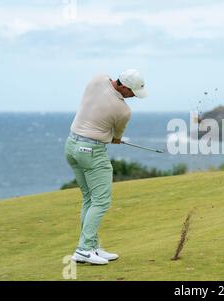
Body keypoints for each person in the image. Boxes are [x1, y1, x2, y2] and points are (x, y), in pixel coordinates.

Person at [65, 69, 147, 265]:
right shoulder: (124, 110)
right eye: (132, 92)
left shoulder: (97, 79)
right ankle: (84, 249)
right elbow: (116, 136)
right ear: (125, 87)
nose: (133, 97)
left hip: (71, 146)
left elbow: (105, 88)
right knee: (101, 202)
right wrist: (115, 139)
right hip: (91, 152)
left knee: (89, 199)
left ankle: (90, 246)